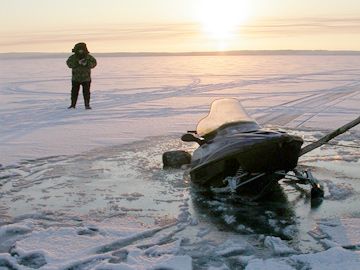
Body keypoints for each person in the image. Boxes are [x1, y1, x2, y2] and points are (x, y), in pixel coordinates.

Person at [66, 42, 97, 109]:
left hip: (86, 78)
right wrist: (77, 63)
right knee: (74, 92)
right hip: (75, 78)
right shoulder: (73, 57)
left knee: (86, 93)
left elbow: (94, 64)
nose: (80, 51)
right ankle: (73, 105)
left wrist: (86, 63)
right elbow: (69, 64)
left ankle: (87, 105)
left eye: (82, 49)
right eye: (79, 49)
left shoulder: (89, 57)